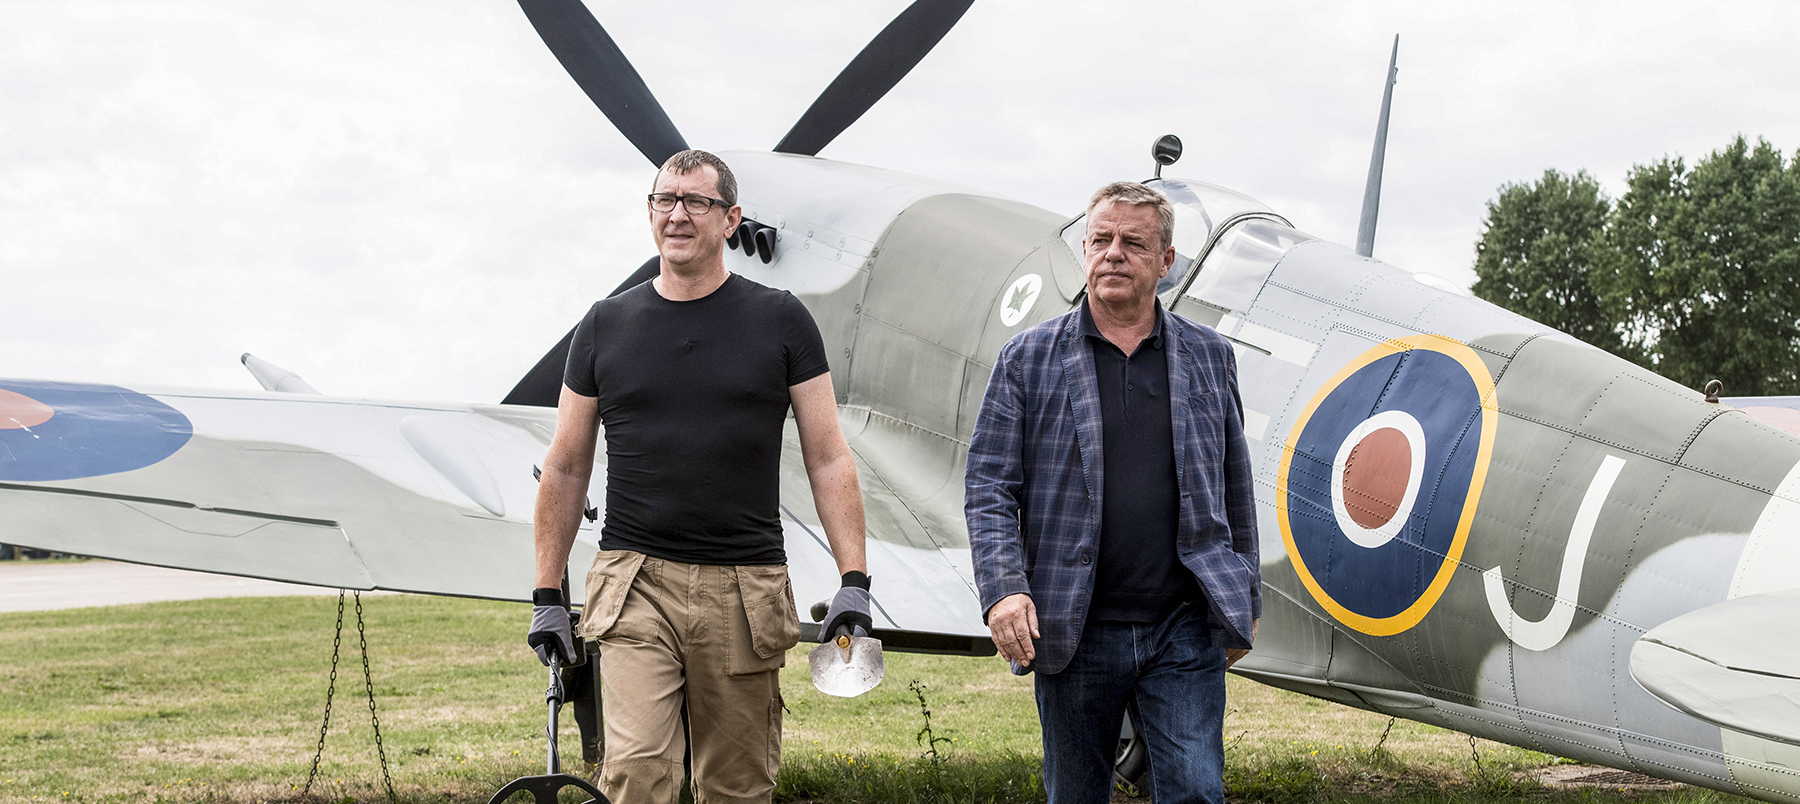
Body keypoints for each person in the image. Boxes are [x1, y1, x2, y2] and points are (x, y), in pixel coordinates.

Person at [527, 149, 873, 804]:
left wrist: (854, 579)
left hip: (744, 588)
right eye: (665, 200)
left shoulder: (782, 320)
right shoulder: (604, 325)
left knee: (737, 786)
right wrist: (547, 592)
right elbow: (567, 463)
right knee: (636, 774)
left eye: (696, 202)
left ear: (731, 219)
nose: (678, 214)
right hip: (635, 584)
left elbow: (828, 454)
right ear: (650, 212)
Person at [965, 181, 1260, 804]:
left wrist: (1243, 596)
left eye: (1133, 243)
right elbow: (990, 483)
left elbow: (1236, 484)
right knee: (1075, 794)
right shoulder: (1027, 358)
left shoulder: (1210, 357)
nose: (1114, 254)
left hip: (1181, 622)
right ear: (1084, 251)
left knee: (1198, 792)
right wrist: (1004, 589)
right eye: (1101, 240)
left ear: (1166, 261)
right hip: (1074, 622)